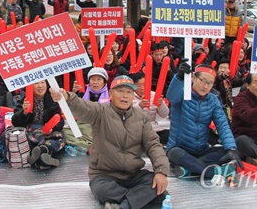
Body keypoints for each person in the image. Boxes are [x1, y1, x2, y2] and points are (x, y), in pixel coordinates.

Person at [51, 75, 169, 209]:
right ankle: (142, 200)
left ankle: (124, 205)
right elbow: (83, 107)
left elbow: (153, 144)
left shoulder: (141, 117)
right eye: (120, 91)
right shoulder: (101, 112)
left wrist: (161, 171)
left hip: (133, 174)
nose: (125, 95)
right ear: (111, 94)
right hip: (104, 175)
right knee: (102, 191)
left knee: (154, 181)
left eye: (129, 92)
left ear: (132, 96)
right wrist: (67, 97)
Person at [166, 62, 243, 180]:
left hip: (201, 150)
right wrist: (179, 77)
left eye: (210, 83)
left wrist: (231, 148)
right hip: (179, 148)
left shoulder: (213, 100)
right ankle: (216, 172)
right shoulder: (183, 93)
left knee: (226, 152)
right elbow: (171, 96)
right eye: (203, 81)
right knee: (175, 153)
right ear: (193, 77)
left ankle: (190, 169)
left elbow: (222, 125)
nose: (205, 86)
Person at [12, 80, 65, 169]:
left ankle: (41, 153)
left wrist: (52, 128)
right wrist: (24, 112)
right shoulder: (24, 100)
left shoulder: (52, 100)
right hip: (31, 133)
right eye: (36, 83)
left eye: (42, 82)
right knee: (37, 136)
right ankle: (44, 156)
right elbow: (15, 122)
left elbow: (60, 121)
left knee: (61, 136)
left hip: (47, 131)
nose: (40, 86)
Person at [131, 72, 170, 145]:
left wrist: (161, 104)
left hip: (153, 127)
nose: (142, 88)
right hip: (136, 130)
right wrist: (140, 105)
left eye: (144, 85)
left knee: (169, 136)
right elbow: (127, 114)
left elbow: (164, 115)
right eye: (138, 86)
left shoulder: (155, 95)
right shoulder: (129, 96)